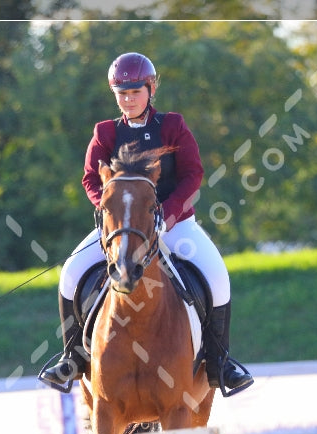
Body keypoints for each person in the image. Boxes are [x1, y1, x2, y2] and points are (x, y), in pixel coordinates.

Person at [39, 52, 253, 395]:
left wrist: (166, 214)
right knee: (71, 273)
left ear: (150, 89)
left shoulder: (172, 126)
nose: (128, 99)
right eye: (121, 93)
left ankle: (219, 362)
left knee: (217, 277)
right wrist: (110, 212)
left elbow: (193, 174)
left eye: (134, 92)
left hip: (173, 224)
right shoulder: (106, 132)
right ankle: (72, 358)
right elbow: (90, 180)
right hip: (122, 227)